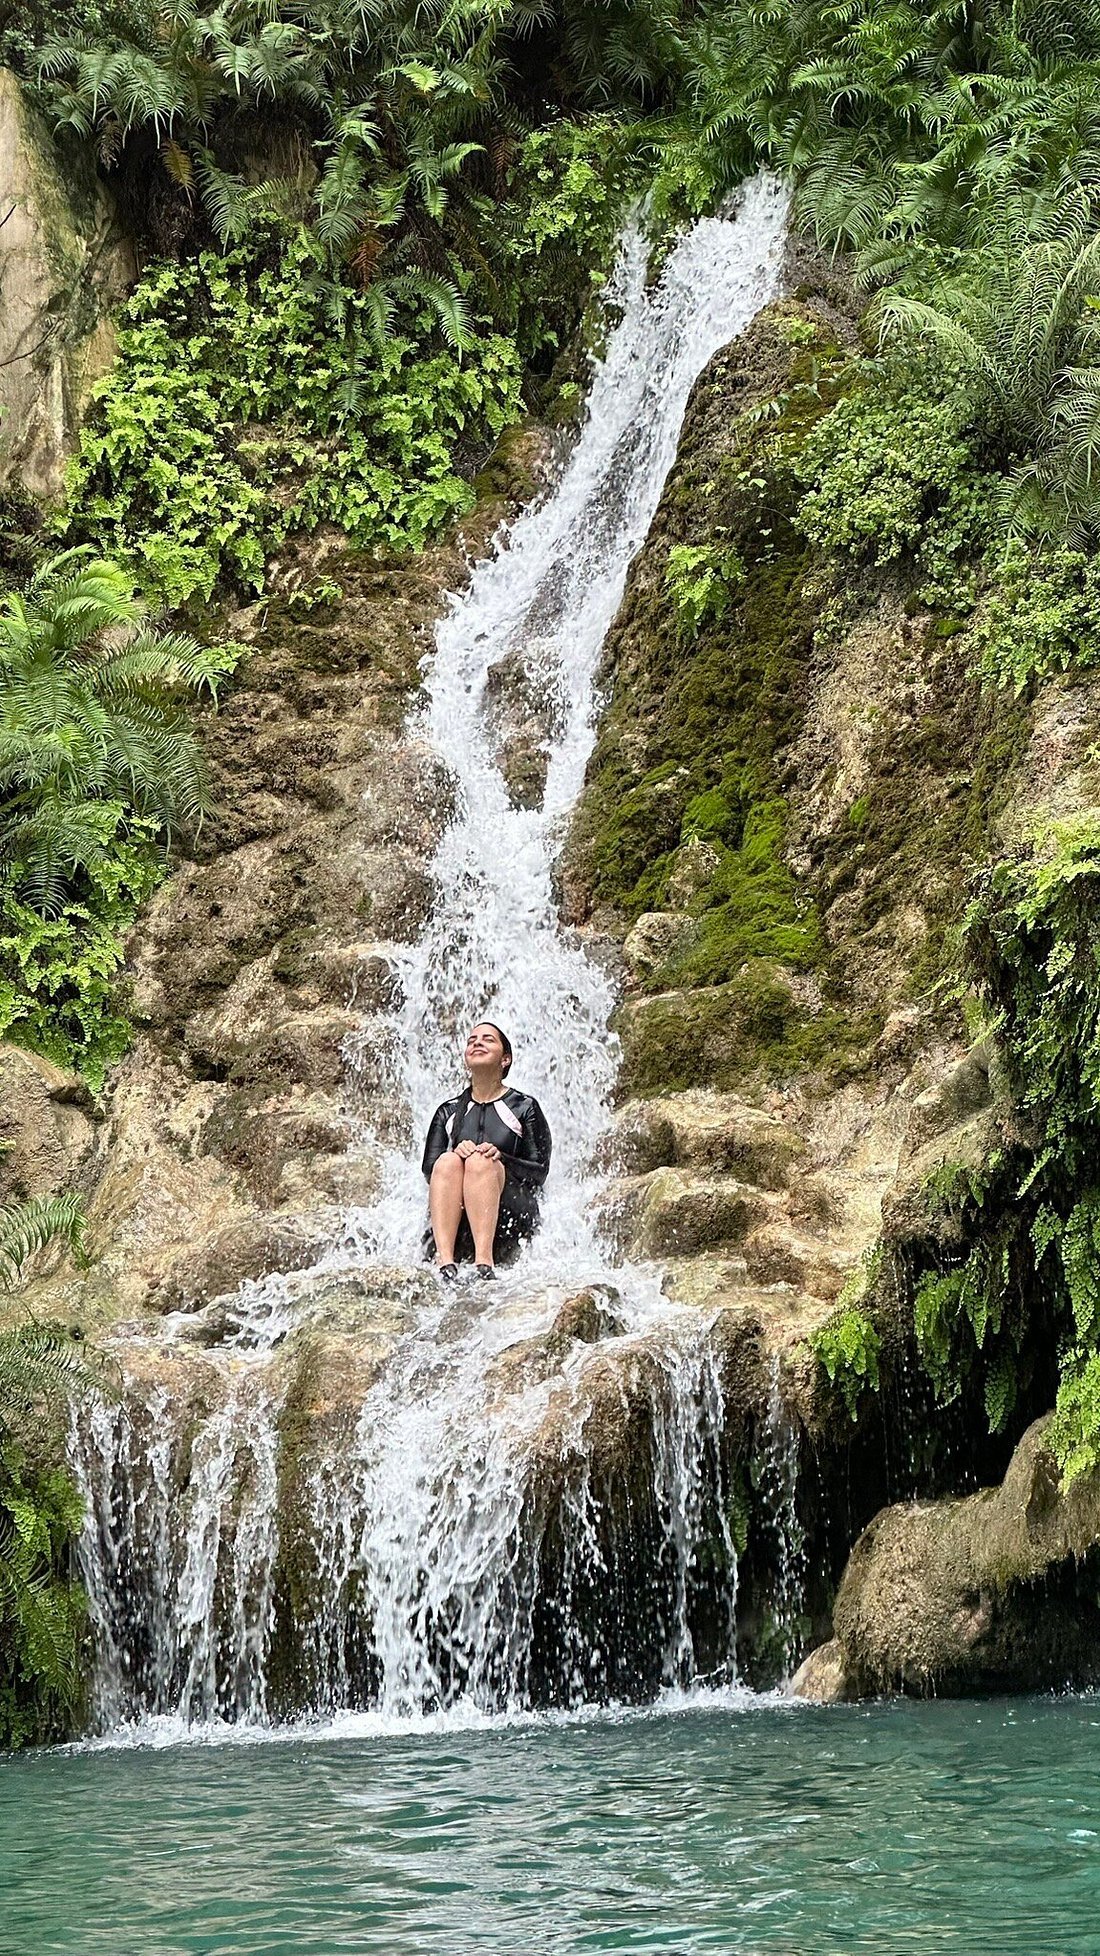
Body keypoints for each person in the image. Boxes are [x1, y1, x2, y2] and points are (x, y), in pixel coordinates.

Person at [422, 1023, 552, 1281]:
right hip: (459, 1214)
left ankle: (484, 1263)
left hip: (511, 1212)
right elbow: (429, 1170)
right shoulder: (447, 1111)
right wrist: (459, 1155)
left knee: (481, 1162)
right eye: (472, 1040)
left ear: (506, 1059)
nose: (477, 1043)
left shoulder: (524, 1107)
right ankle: (445, 1261)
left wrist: (501, 1158)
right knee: (447, 1161)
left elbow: (539, 1172)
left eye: (488, 1039)